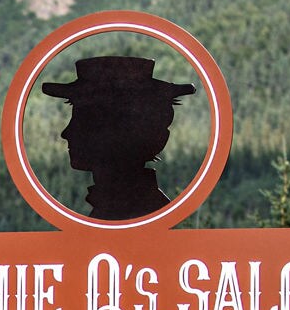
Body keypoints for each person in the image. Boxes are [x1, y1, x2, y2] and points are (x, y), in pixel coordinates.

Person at [42, 55, 195, 220]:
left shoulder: (130, 215)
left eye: (85, 119)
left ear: (123, 129)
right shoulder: (137, 212)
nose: (66, 132)